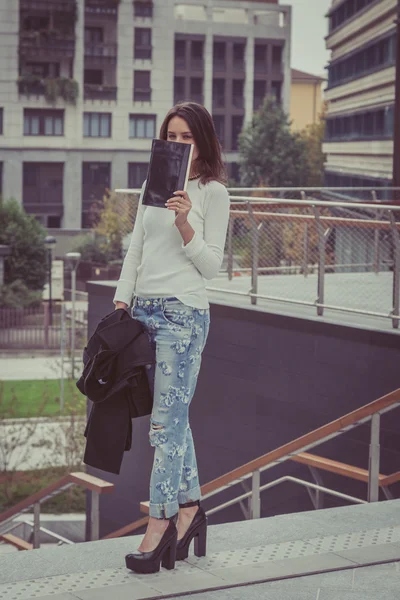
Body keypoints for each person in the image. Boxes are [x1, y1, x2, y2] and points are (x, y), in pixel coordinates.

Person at [113, 102, 230, 574]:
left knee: (164, 426)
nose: (178, 143)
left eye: (186, 137)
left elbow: (212, 266)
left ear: (202, 140)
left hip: (184, 315)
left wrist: (185, 222)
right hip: (144, 312)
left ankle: (159, 524)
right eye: (171, 135)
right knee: (173, 420)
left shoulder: (213, 192)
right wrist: (122, 300)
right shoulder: (151, 185)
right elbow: (137, 247)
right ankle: (191, 509)